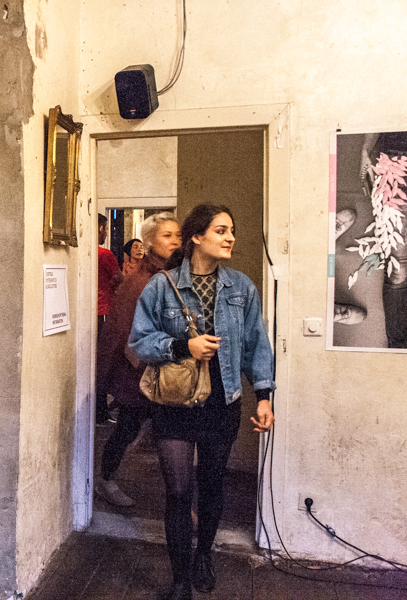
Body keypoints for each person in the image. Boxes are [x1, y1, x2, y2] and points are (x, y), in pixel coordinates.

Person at [129, 204, 275, 600]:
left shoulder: (241, 288)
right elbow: (139, 341)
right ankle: (180, 582)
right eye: (221, 230)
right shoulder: (161, 286)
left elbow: (256, 346)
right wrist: (183, 346)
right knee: (178, 493)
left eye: (232, 231)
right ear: (197, 236)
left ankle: (203, 556)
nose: (230, 238)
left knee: (211, 485)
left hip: (221, 403)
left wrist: (263, 397)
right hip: (174, 404)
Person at [95, 214, 180, 507]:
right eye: (167, 235)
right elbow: (123, 330)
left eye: (178, 235)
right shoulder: (142, 281)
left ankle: (178, 498)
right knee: (127, 428)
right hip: (140, 372)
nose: (175, 241)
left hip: (166, 369)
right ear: (150, 242)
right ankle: (105, 479)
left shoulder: (173, 275)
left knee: (170, 435)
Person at [97, 214, 121, 337]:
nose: (106, 234)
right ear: (101, 228)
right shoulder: (105, 254)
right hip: (104, 308)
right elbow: (119, 279)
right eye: (106, 229)